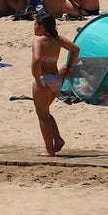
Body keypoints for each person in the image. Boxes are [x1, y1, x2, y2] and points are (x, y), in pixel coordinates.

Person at [31, 14, 79, 156]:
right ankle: (57, 139)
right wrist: (69, 66)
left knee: (42, 115)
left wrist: (36, 77)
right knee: (46, 112)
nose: (33, 27)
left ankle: (49, 150)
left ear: (42, 26)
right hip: (56, 80)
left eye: (35, 24)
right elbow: (75, 49)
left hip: (44, 79)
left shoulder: (39, 41)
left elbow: (37, 59)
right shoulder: (57, 39)